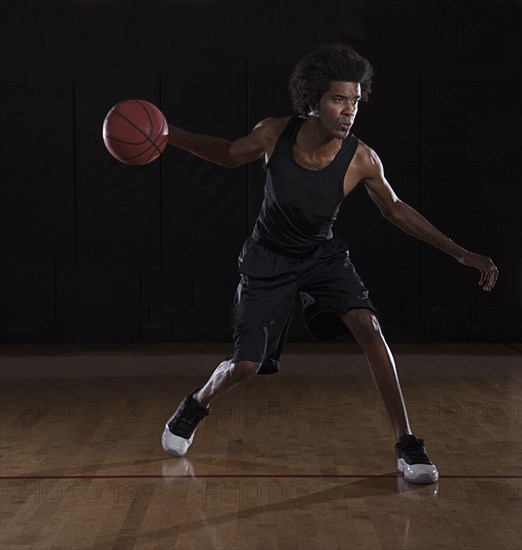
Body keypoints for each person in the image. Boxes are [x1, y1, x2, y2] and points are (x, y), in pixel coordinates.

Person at [161, 45, 498, 484]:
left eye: (355, 100)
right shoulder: (274, 134)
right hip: (268, 258)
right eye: (339, 99)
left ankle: (407, 444)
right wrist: (169, 134)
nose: (349, 110)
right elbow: (227, 153)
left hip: (322, 257)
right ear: (313, 102)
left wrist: (460, 252)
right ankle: (196, 404)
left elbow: (396, 210)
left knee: (368, 326)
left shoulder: (361, 159)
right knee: (246, 366)